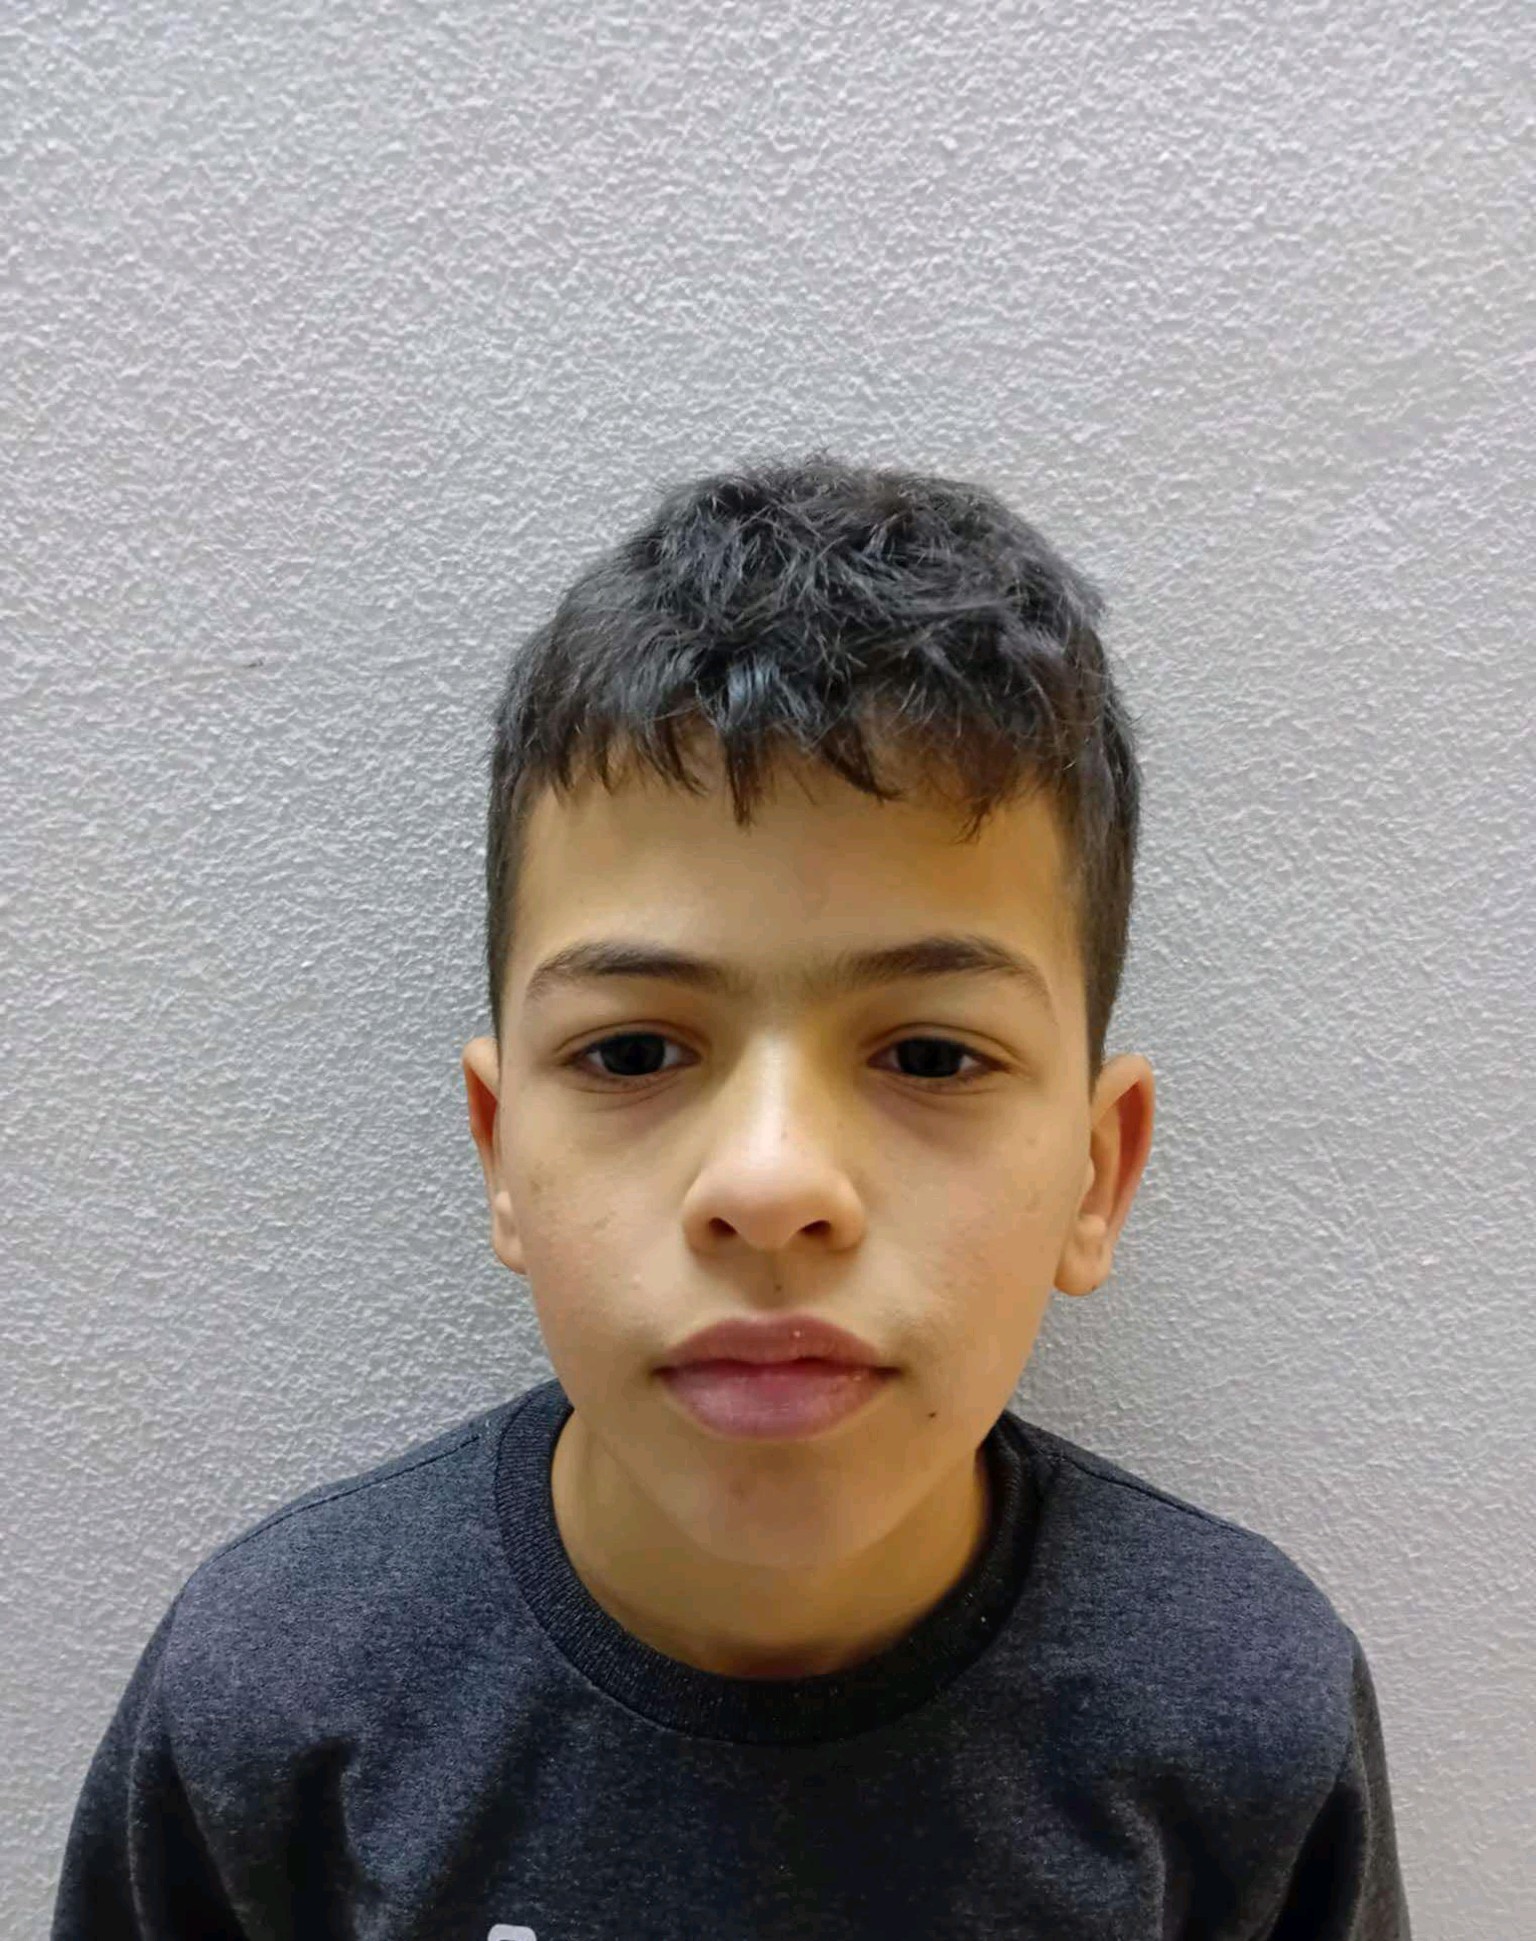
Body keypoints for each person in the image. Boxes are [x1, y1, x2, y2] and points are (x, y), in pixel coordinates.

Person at [51, 453, 1411, 1937]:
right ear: (500, 1149)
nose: (770, 1186)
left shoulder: (1244, 1722)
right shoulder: (268, 1709)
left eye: (931, 1054)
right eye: (633, 1051)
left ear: (1099, 1171)